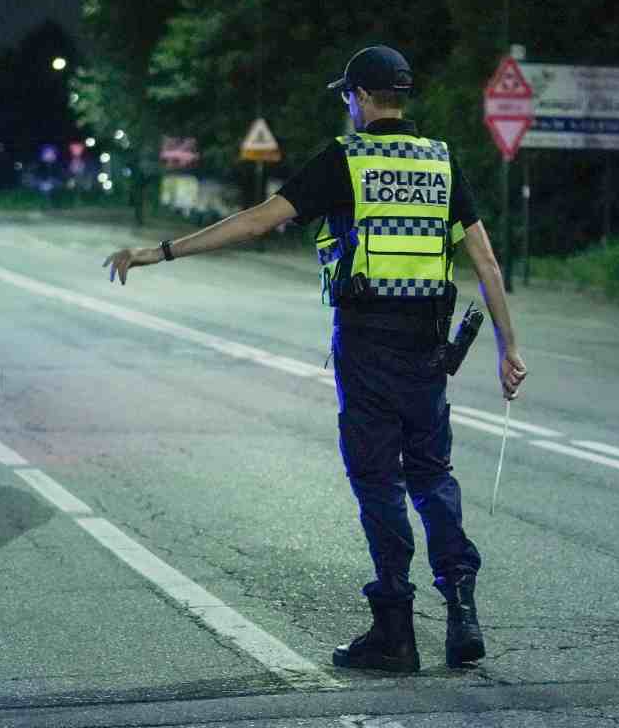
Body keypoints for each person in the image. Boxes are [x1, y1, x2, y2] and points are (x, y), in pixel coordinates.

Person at [102, 45, 527, 673]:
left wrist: (159, 252)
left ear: (358, 97)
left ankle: (395, 632)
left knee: (378, 479)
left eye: (345, 96)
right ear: (400, 97)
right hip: (428, 348)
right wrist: (508, 347)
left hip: (366, 345)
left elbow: (255, 222)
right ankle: (462, 611)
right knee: (433, 475)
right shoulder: (441, 161)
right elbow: (486, 262)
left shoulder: (346, 160)